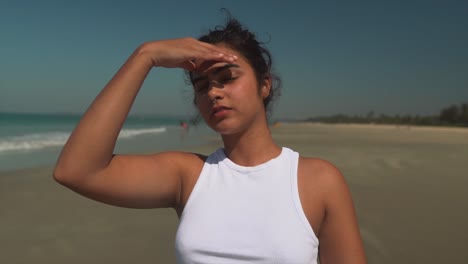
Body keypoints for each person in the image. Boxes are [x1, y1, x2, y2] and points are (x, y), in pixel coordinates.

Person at [54, 13, 366, 263]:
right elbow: (77, 170)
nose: (214, 92)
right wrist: (145, 56)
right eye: (202, 86)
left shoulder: (319, 181)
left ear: (264, 85)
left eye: (227, 78)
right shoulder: (189, 176)